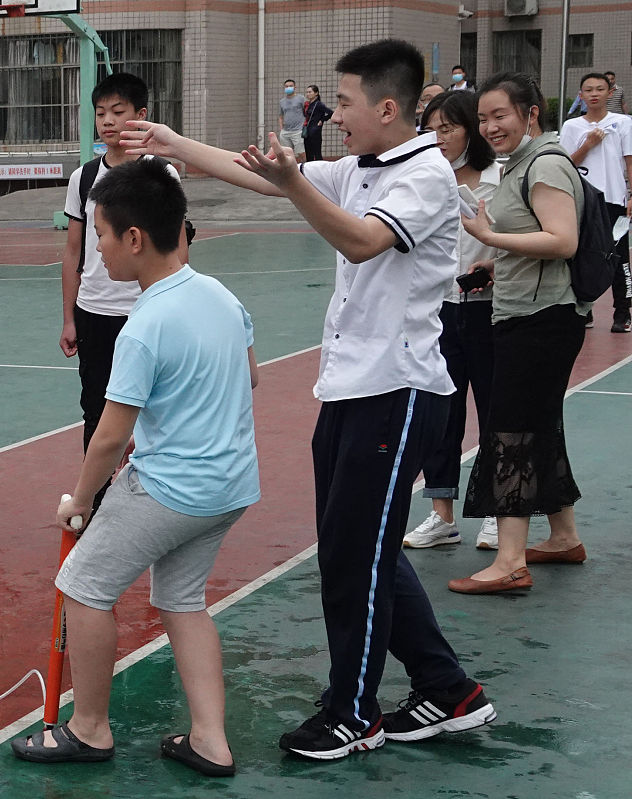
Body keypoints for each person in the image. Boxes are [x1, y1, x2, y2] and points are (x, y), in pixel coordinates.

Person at [124, 38, 496, 760]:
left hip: (400, 390)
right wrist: (173, 142)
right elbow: (260, 175)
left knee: (357, 557)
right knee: (362, 549)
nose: (336, 114)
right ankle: (448, 689)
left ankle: (355, 711)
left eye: (347, 102)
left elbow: (361, 242)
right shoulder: (364, 164)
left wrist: (296, 184)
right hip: (354, 387)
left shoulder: (422, 177)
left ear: (387, 107)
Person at [10, 157, 259, 777]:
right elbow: (249, 379)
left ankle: (90, 729)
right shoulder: (222, 298)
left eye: (99, 234)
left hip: (172, 487)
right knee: (182, 599)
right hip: (230, 483)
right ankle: (210, 740)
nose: (96, 248)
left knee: (82, 587)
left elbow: (108, 436)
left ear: (134, 239)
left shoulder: (145, 323)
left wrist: (80, 499)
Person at [456, 73, 591, 592]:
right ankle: (562, 537)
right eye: (484, 118)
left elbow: (562, 241)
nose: (490, 127)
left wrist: (489, 235)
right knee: (539, 424)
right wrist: (498, 258)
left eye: (500, 115)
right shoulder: (525, 164)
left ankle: (510, 561)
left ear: (530, 113)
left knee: (511, 427)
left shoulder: (546, 163)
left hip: (542, 319)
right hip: (528, 310)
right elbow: (533, 237)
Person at [59, 71, 180, 508]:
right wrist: (69, 317)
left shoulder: (160, 172)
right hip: (95, 314)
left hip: (150, 313)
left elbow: (178, 247)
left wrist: (178, 308)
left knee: (159, 411)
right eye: (100, 113)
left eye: (118, 112)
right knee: (98, 411)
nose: (107, 121)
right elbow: (73, 252)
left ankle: (158, 498)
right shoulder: (84, 176)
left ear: (142, 116)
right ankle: (98, 502)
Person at [404, 90, 501, 550]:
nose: (438, 138)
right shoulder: (427, 179)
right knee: (443, 412)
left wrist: (494, 270)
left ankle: (498, 512)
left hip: (492, 310)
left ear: (472, 130)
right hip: (441, 310)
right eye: (432, 128)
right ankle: (442, 512)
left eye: (449, 128)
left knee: (496, 410)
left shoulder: (500, 179)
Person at [560, 72, 632, 333]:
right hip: (583, 201)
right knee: (581, 255)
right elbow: (566, 163)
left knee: (619, 256)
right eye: (588, 90)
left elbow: (629, 161)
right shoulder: (572, 127)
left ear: (610, 93)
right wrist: (588, 145)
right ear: (581, 95)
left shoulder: (623, 123)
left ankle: (622, 313)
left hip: (614, 200)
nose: (594, 94)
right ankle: (584, 310)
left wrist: (630, 195)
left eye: (600, 89)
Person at [302, 84, 334, 162]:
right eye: (307, 92)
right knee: (308, 153)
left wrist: (322, 120)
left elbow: (331, 113)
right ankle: (309, 170)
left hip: (315, 131)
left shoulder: (319, 104)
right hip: (307, 130)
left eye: (310, 92)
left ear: (316, 93)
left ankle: (319, 170)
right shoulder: (308, 104)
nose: (308, 94)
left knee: (316, 152)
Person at [278, 79, 306, 162]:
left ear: (295, 87)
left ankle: (305, 168)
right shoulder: (282, 101)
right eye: (286, 86)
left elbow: (307, 111)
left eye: (290, 86)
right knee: (287, 153)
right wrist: (281, 129)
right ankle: (292, 170)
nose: (288, 88)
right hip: (285, 132)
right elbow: (280, 116)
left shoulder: (301, 98)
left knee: (301, 152)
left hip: (298, 130)